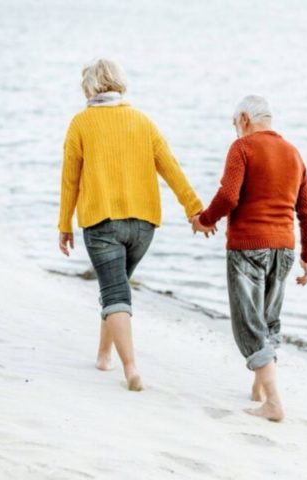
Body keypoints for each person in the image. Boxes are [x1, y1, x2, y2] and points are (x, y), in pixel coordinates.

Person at [57, 58, 213, 391]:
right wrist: (195, 211)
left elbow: (70, 179)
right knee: (117, 287)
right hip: (143, 226)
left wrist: (64, 225)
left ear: (89, 86)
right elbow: (171, 168)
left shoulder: (81, 123)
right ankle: (103, 356)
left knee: (114, 291)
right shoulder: (143, 121)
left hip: (101, 223)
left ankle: (131, 369)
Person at [192, 95, 307, 421]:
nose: (236, 132)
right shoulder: (293, 153)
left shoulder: (242, 148)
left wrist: (205, 219)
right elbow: (306, 209)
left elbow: (229, 195)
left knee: (248, 325)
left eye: (235, 125)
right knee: (268, 320)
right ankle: (260, 388)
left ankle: (273, 402)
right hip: (284, 249)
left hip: (248, 246)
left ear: (244, 119)